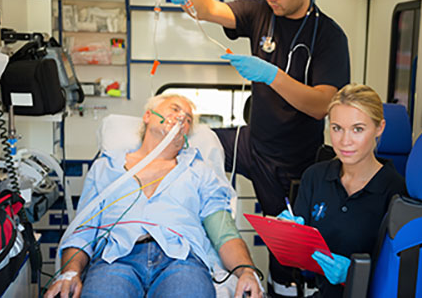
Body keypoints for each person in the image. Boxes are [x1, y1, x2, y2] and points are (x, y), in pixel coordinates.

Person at [160, 0, 350, 293]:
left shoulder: (329, 37)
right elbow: (212, 9)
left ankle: (283, 289)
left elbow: (323, 104)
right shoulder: (260, 12)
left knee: (286, 256)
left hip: (293, 162)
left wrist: (272, 75)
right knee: (195, 141)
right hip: (252, 142)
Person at [44, 94, 263, 298]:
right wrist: (69, 273)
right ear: (148, 116)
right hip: (115, 259)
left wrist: (246, 271)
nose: (180, 118)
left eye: (187, 119)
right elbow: (84, 229)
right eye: (175, 109)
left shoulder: (199, 172)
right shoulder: (107, 167)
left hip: (182, 260)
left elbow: (223, 232)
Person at [278, 84, 407, 297]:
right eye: (337, 128)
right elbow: (301, 261)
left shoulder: (398, 192)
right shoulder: (315, 177)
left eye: (357, 129)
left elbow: (401, 274)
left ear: (379, 128)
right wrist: (287, 236)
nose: (345, 141)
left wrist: (354, 274)